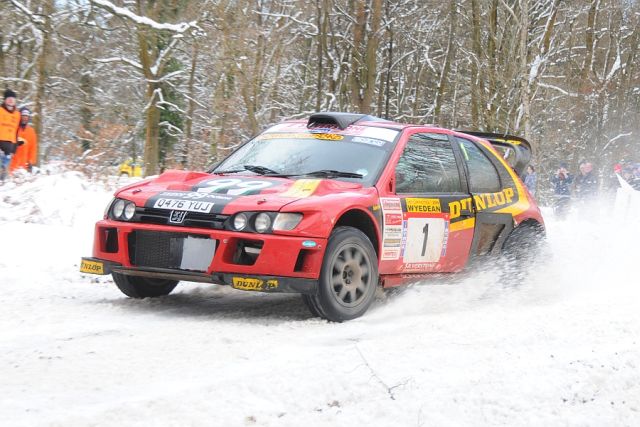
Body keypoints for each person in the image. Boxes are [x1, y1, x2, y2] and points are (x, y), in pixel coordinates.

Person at [0, 89, 22, 181]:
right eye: (9, 98)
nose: (11, 100)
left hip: (10, 148)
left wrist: (14, 148)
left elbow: (17, 131)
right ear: (5, 99)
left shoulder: (17, 114)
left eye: (13, 99)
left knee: (4, 176)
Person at [9, 107, 38, 174]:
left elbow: (33, 148)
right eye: (23, 116)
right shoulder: (13, 129)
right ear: (19, 117)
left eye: (26, 116)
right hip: (12, 165)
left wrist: (31, 161)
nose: (25, 118)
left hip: (25, 167)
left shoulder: (31, 131)